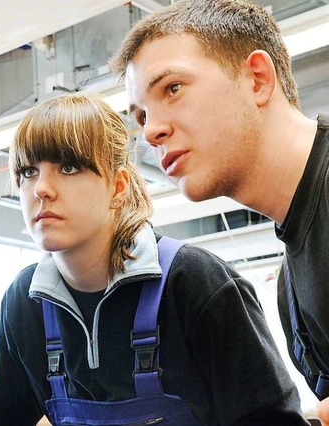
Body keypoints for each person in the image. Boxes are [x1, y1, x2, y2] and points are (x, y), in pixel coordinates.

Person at [0, 92, 307, 425]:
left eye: (68, 168)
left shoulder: (196, 284)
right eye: (27, 172)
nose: (41, 189)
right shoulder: (25, 303)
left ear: (118, 187)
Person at [111, 0, 329, 421]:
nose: (151, 131)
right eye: (141, 115)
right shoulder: (291, 285)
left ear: (257, 79)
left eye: (172, 88)